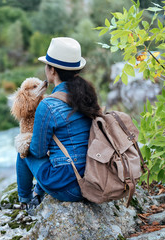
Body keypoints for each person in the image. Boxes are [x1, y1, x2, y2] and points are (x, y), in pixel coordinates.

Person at [16, 37, 102, 210]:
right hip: (94, 179)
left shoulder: (48, 105)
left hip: (70, 189)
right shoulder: (87, 95)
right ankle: (38, 193)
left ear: (52, 70)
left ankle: (25, 200)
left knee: (23, 151)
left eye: (47, 65)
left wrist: (26, 141)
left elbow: (38, 152)